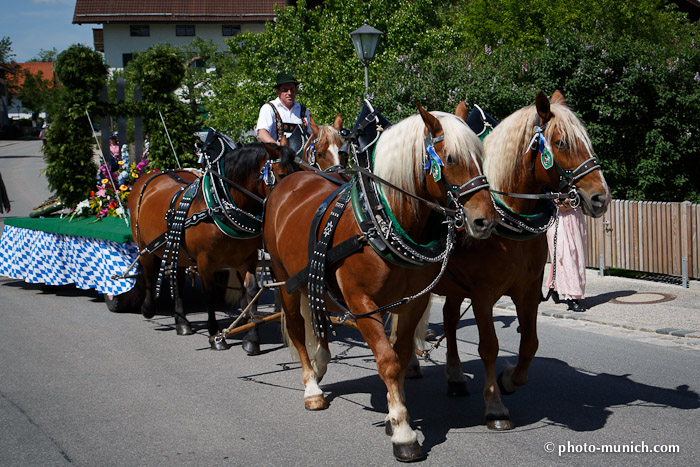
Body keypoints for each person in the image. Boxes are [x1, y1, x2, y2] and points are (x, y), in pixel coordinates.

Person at [545, 198, 588, 312]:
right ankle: (571, 297)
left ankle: (555, 286)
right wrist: (565, 203)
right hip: (559, 220)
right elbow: (552, 202)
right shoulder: (551, 183)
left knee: (577, 257)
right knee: (565, 257)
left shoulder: (577, 181)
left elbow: (584, 199)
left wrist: (575, 201)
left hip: (575, 219)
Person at [255, 71, 313, 150]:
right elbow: (262, 132)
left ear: (296, 89)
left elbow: (311, 134)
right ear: (278, 91)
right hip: (277, 156)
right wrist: (276, 145)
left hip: (300, 158)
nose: (289, 93)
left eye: (292, 89)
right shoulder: (269, 108)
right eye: (285, 90)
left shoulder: (304, 111)